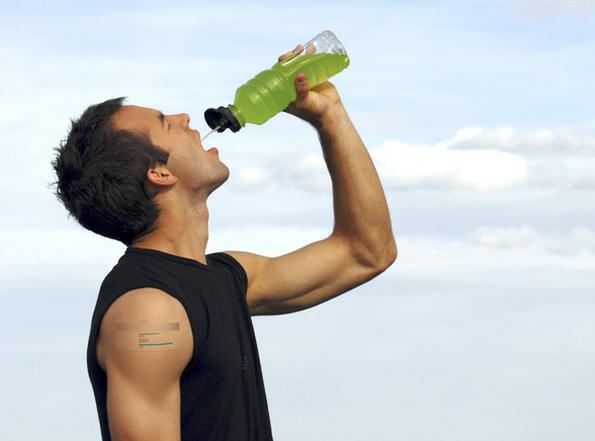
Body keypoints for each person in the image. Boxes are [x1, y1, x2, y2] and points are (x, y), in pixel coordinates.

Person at [50, 44, 397, 441]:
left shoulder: (225, 278)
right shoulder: (149, 312)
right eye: (165, 124)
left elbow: (367, 252)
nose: (184, 118)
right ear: (160, 173)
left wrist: (330, 116)